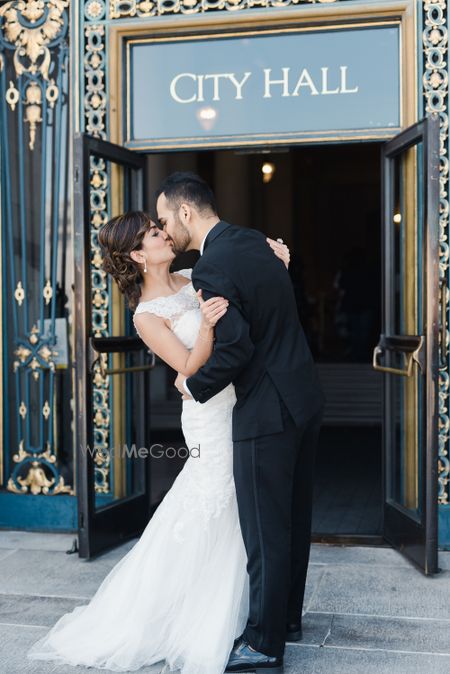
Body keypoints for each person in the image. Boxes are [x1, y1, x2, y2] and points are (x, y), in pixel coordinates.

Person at [26, 205, 291, 674]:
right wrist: (207, 327)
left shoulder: (196, 275)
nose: (164, 234)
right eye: (152, 233)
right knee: (219, 501)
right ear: (136, 255)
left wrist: (273, 262)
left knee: (241, 508)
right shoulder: (146, 317)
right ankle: (202, 615)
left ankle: (249, 613)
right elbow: (187, 369)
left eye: (159, 226)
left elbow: (246, 297)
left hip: (243, 402)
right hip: (208, 414)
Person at [157, 172, 325, 673]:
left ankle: (263, 644)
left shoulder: (212, 265)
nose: (166, 230)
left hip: (266, 410)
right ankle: (287, 619)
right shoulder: (252, 240)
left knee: (264, 530)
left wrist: (193, 385)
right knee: (293, 520)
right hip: (303, 395)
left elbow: (236, 346)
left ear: (186, 212)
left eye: (166, 219)